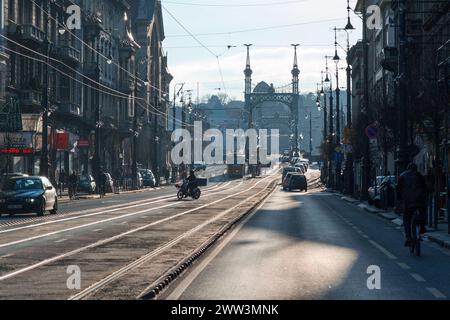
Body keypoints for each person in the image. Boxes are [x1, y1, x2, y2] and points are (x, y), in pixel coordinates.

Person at [396, 163, 428, 247]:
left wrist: (399, 199)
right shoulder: (419, 175)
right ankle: (422, 227)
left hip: (407, 202)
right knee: (423, 212)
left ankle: (408, 237)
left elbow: (398, 189)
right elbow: (425, 187)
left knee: (406, 219)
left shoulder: (402, 176)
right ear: (416, 168)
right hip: (419, 201)